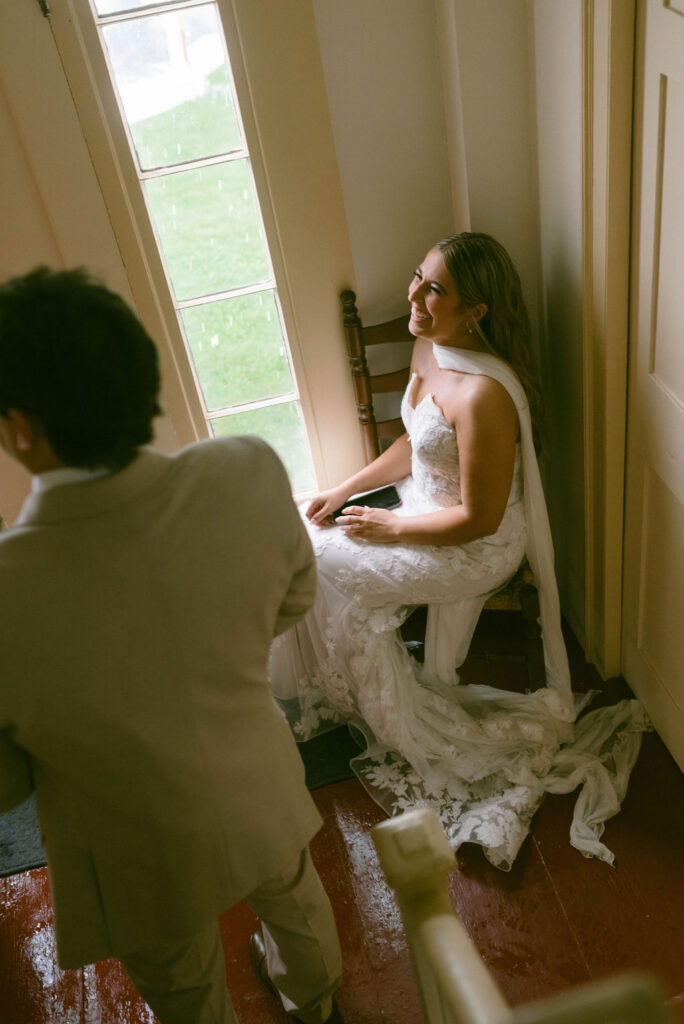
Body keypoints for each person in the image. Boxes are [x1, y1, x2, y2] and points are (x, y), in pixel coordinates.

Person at [0, 267, 342, 1024]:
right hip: (256, 778)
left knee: (183, 984)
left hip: (128, 847)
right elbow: (294, 597)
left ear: (21, 426)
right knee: (297, 903)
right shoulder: (248, 469)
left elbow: (8, 785)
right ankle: (318, 1007)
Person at [270, 232, 650, 871]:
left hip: (475, 546)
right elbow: (413, 447)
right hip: (425, 513)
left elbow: (479, 519)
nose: (415, 293)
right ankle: (335, 688)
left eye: (435, 288)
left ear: (475, 311)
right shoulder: (430, 346)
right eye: (419, 275)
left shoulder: (487, 397)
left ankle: (395, 720)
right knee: (302, 529)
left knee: (316, 560)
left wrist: (389, 530)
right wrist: (342, 490)